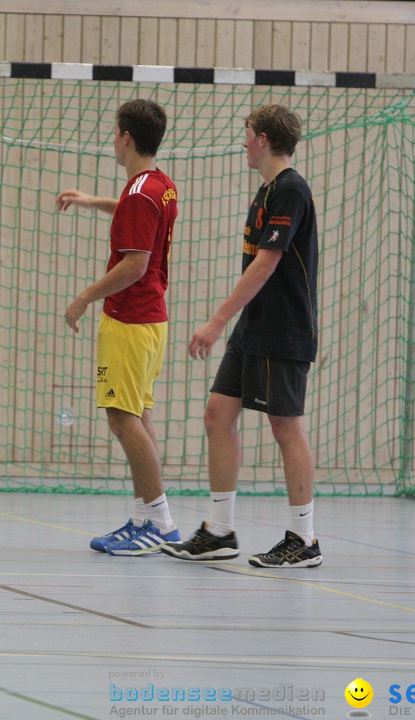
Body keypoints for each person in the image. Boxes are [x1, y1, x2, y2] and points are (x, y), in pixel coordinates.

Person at [160, 104, 323, 568]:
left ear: (266, 139)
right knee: (217, 413)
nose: (244, 141)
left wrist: (215, 323)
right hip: (253, 328)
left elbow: (267, 263)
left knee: (285, 425)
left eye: (248, 133)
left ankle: (304, 537)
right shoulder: (266, 190)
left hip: (283, 330)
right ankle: (220, 530)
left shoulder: (291, 189)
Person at [56, 99, 181, 556]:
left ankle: (161, 522)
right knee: (138, 416)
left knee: (121, 417)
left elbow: (134, 264)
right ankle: (144, 517)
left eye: (114, 132)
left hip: (131, 319)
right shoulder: (158, 186)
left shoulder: (140, 193)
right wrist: (91, 201)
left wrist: (84, 297)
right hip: (150, 320)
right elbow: (132, 214)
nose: (113, 139)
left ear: (126, 137)